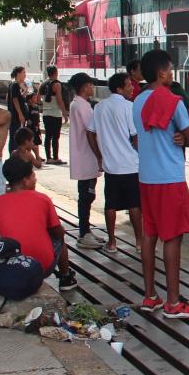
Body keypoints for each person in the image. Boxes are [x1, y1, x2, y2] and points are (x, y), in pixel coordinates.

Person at [132, 49, 189, 318]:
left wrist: (179, 136)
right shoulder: (172, 101)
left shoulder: (137, 102)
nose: (172, 73)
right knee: (172, 237)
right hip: (169, 178)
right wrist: (183, 138)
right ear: (161, 72)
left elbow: (142, 136)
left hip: (146, 177)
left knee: (150, 235)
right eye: (170, 69)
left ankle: (151, 295)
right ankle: (174, 302)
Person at [0, 156, 78, 292]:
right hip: (42, 267)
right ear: (25, 180)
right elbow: (57, 232)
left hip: (10, 266)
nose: (35, 179)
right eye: (33, 175)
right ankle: (65, 277)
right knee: (59, 237)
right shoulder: (42, 199)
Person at [88, 72, 142, 253]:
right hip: (130, 164)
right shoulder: (129, 107)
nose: (132, 87)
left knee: (110, 205)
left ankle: (112, 242)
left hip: (111, 166)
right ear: (119, 88)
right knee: (134, 204)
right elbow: (135, 137)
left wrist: (99, 155)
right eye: (128, 85)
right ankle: (139, 242)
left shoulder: (100, 107)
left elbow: (90, 132)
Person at [67, 72, 103, 249]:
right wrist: (99, 155)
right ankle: (83, 233)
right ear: (83, 87)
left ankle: (86, 230)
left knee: (87, 194)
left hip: (84, 156)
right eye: (90, 84)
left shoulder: (79, 104)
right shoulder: (82, 106)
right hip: (86, 156)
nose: (92, 87)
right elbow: (91, 132)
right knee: (86, 195)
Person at [40, 65, 68, 165]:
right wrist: (64, 113)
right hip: (55, 114)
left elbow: (39, 98)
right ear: (56, 72)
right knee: (55, 137)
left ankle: (49, 158)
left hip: (46, 113)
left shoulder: (42, 84)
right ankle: (55, 157)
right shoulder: (57, 84)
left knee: (48, 136)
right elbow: (60, 100)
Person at [7, 66, 32, 154]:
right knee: (15, 135)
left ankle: (15, 153)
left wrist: (25, 91)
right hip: (15, 115)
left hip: (15, 115)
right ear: (18, 74)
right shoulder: (15, 85)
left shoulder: (14, 84)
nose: (25, 75)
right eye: (23, 73)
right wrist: (20, 114)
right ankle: (13, 154)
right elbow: (15, 100)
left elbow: (19, 98)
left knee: (16, 134)